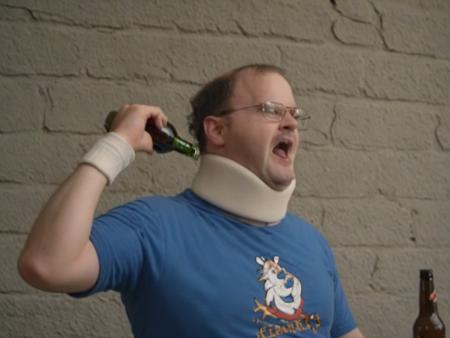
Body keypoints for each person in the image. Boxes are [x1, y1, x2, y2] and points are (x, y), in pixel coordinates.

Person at [18, 64, 364, 338]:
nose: (290, 123)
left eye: (295, 113)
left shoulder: (312, 243)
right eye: (271, 109)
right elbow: (47, 265)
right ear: (216, 130)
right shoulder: (152, 228)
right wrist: (117, 144)